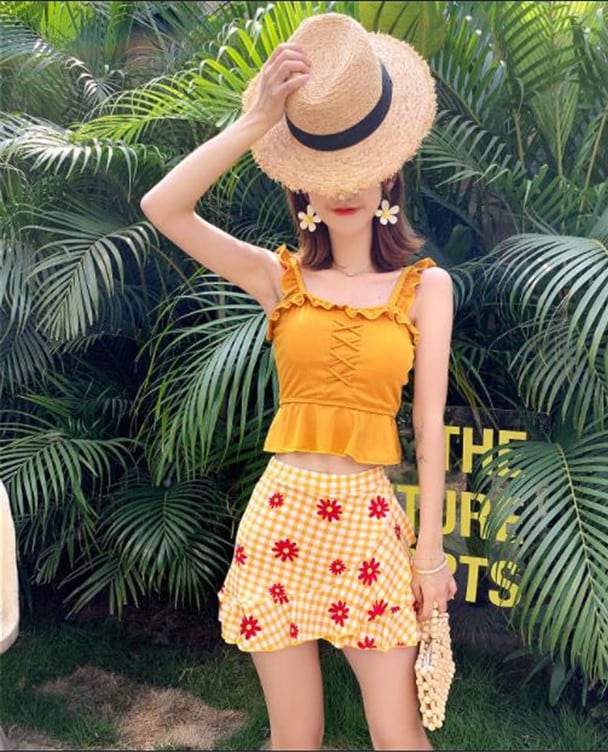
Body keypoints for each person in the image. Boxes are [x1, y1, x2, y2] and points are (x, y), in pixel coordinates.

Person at [140, 13, 456, 751]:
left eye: (359, 165)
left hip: (368, 524)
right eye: (322, 170)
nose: (342, 188)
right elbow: (163, 207)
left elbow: (428, 430)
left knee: (398, 734)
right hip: (281, 518)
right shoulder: (277, 278)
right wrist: (256, 122)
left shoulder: (425, 288)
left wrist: (430, 555)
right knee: (295, 737)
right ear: (302, 187)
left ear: (389, 175)